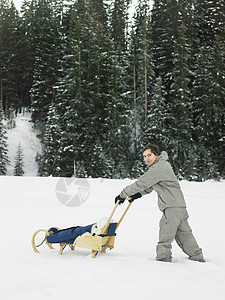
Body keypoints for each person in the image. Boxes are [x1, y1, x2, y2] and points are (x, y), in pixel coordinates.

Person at [115, 143, 205, 263]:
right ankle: (197, 257)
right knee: (185, 235)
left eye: (149, 155)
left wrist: (123, 194)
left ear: (156, 155)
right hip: (179, 206)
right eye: (144, 156)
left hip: (171, 207)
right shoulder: (162, 166)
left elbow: (141, 183)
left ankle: (163, 262)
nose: (147, 159)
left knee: (165, 237)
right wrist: (138, 194)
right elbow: (151, 185)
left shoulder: (159, 167)